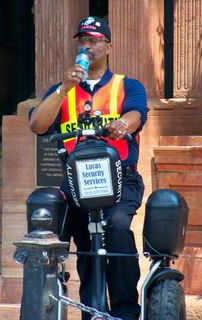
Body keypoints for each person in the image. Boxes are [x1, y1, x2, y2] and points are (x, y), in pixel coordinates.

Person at [29, 16, 149, 320]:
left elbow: (137, 112)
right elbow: (37, 124)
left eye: (93, 40)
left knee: (119, 228)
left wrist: (123, 124)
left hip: (121, 179)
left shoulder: (126, 85)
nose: (87, 46)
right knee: (82, 240)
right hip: (77, 181)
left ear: (107, 46)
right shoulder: (64, 89)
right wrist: (64, 88)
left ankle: (125, 311)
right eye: (82, 40)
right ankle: (90, 310)